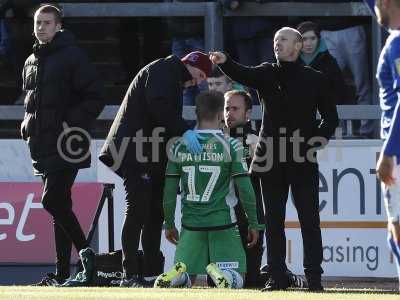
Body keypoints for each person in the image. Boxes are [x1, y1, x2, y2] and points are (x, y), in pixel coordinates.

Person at [210, 27, 339, 291]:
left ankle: (314, 280)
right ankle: (277, 277)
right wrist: (226, 62)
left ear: (298, 45)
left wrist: (313, 141)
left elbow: (331, 118)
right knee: (273, 221)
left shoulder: (316, 78)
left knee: (310, 222)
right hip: (269, 159)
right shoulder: (267, 72)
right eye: (275, 40)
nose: (277, 44)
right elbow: (241, 72)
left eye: (283, 40)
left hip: (302, 159)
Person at [98, 51, 212, 287]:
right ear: (188, 64)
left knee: (153, 215)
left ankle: (149, 274)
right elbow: (159, 107)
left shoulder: (169, 74)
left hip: (149, 153)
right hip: (136, 152)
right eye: (199, 74)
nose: (198, 81)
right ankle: (129, 274)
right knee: (139, 211)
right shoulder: (163, 70)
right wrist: (185, 131)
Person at [20, 4, 105, 285]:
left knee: (52, 200)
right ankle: (61, 274)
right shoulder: (31, 59)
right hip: (42, 144)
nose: (41, 27)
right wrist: (26, 123)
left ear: (59, 26)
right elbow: (31, 101)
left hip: (68, 143)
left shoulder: (73, 56)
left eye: (47, 22)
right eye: (38, 23)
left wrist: (68, 123)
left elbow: (95, 97)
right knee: (60, 206)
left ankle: (87, 257)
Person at [153, 91, 261, 289]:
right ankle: (224, 275)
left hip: (191, 224)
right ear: (221, 114)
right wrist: (254, 222)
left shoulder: (178, 147)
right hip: (223, 224)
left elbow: (168, 193)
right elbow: (245, 189)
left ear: (196, 113)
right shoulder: (231, 146)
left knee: (188, 276)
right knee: (238, 277)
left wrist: (169, 223)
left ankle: (177, 276)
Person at [373, 0, 400, 290]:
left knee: (397, 232)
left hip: (398, 152)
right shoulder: (394, 35)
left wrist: (389, 152)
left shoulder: (398, 44)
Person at [297, 21, 347, 105]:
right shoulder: (289, 61)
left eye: (313, 38)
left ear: (318, 39)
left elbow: (339, 91)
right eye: (304, 39)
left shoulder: (329, 62)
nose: (309, 44)